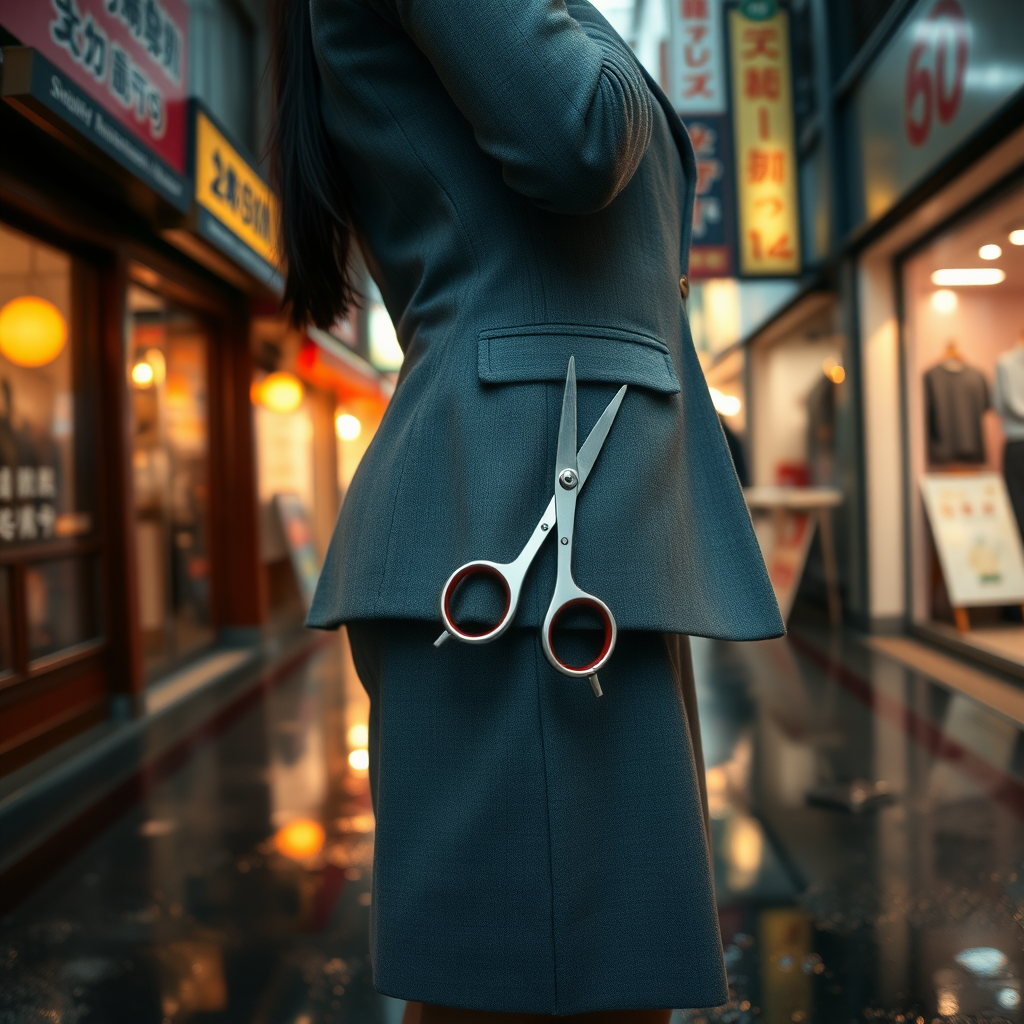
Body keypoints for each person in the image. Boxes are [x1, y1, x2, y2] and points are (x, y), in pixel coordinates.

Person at [269, 1, 784, 1021]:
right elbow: (577, 136)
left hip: (560, 523)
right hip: (524, 518)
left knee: (564, 968)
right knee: (541, 978)